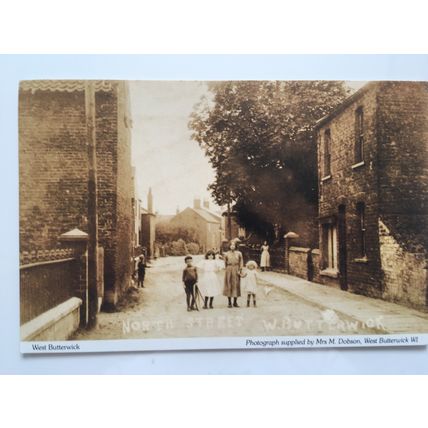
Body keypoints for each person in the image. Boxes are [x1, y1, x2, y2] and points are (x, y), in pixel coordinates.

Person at [223, 240, 244, 308]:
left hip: (236, 268)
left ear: (235, 246)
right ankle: (229, 302)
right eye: (231, 245)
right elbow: (225, 263)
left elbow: (241, 262)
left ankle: (235, 302)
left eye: (234, 245)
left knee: (236, 285)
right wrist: (227, 269)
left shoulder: (239, 253)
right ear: (229, 246)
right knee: (229, 284)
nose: (232, 246)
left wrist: (240, 269)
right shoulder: (226, 254)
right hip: (229, 269)